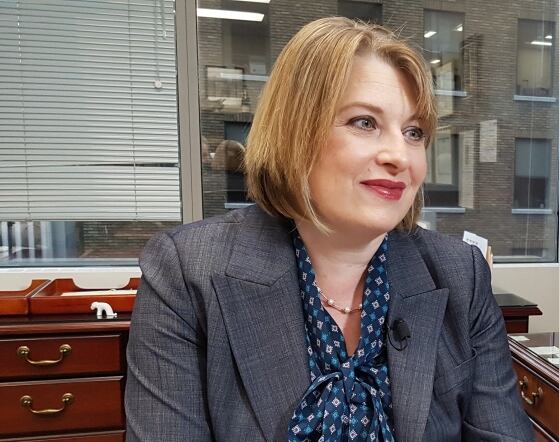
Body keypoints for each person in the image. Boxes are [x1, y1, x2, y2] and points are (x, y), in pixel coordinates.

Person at [125, 17, 533, 442]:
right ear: (295, 134)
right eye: (364, 122)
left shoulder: (460, 273)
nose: (400, 155)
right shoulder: (187, 272)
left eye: (414, 132)